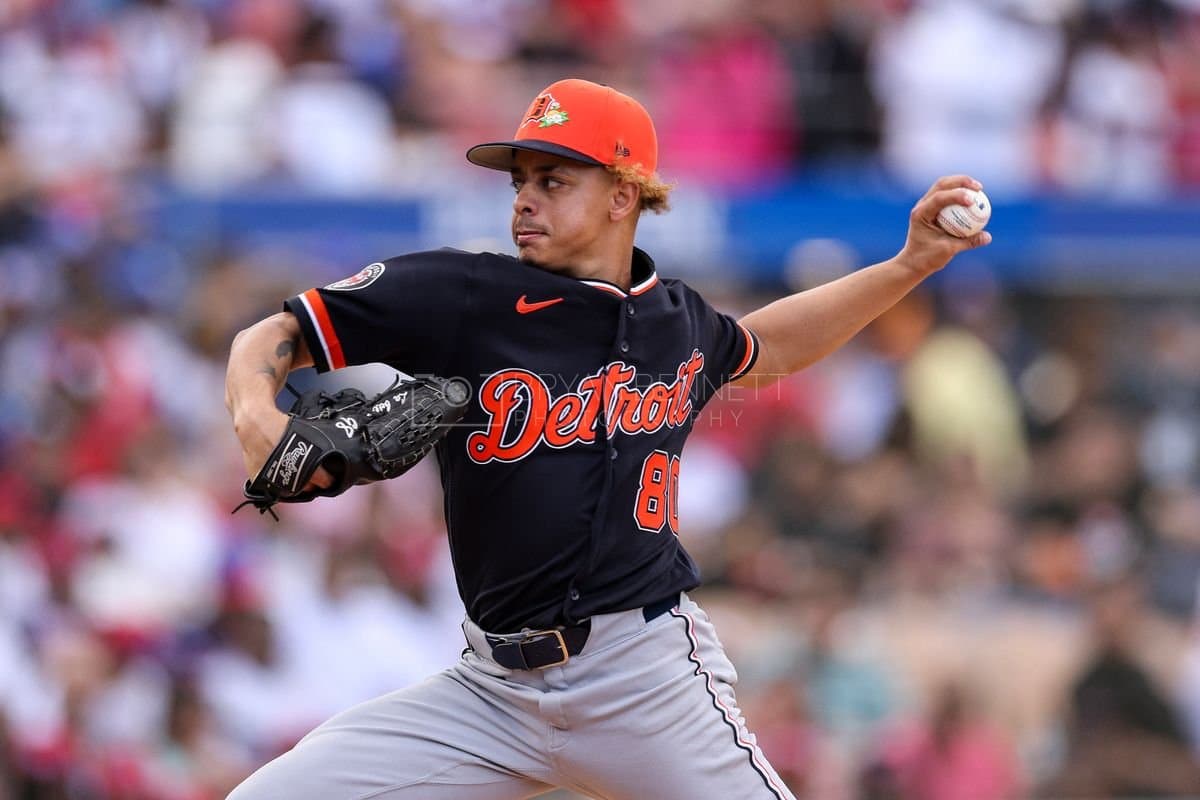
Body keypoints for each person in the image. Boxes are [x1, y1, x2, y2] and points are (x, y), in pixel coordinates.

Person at [223, 78, 990, 800]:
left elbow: (768, 349)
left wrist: (908, 264)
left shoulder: (679, 321)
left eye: (554, 181)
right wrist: (259, 418)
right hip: (490, 691)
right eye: (520, 181)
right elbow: (278, 330)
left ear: (624, 194)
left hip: (642, 679)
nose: (525, 200)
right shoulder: (465, 294)